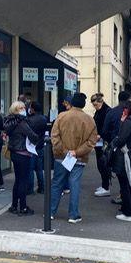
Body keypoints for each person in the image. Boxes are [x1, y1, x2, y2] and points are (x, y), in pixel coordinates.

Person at [50, 93, 97, 223]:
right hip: (79, 158)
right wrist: (76, 152)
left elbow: (54, 136)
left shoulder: (61, 116)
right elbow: (91, 141)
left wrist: (64, 151)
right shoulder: (89, 120)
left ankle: (51, 212)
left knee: (57, 183)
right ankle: (73, 214)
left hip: (61, 156)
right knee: (74, 184)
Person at [3, 100, 40, 215]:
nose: (24, 110)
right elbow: (33, 136)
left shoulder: (10, 121)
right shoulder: (21, 122)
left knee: (18, 180)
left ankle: (14, 205)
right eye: (21, 108)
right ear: (16, 110)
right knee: (23, 181)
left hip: (14, 152)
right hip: (23, 153)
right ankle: (23, 207)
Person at [101, 90, 131, 205]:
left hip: (116, 146)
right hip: (130, 146)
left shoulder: (111, 112)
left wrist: (111, 141)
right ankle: (127, 195)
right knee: (130, 172)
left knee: (120, 172)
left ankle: (123, 195)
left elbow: (104, 131)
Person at [91, 93, 111, 197]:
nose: (95, 107)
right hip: (98, 141)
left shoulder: (107, 111)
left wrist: (100, 135)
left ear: (101, 102)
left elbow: (107, 127)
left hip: (103, 141)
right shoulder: (100, 111)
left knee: (103, 164)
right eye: (93, 105)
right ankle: (104, 185)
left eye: (96, 105)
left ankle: (106, 186)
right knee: (100, 163)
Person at [27, 101, 48, 194]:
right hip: (40, 145)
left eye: (31, 108)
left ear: (33, 109)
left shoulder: (29, 120)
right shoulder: (44, 118)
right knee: (39, 169)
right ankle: (42, 187)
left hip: (31, 146)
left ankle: (30, 189)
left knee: (30, 169)